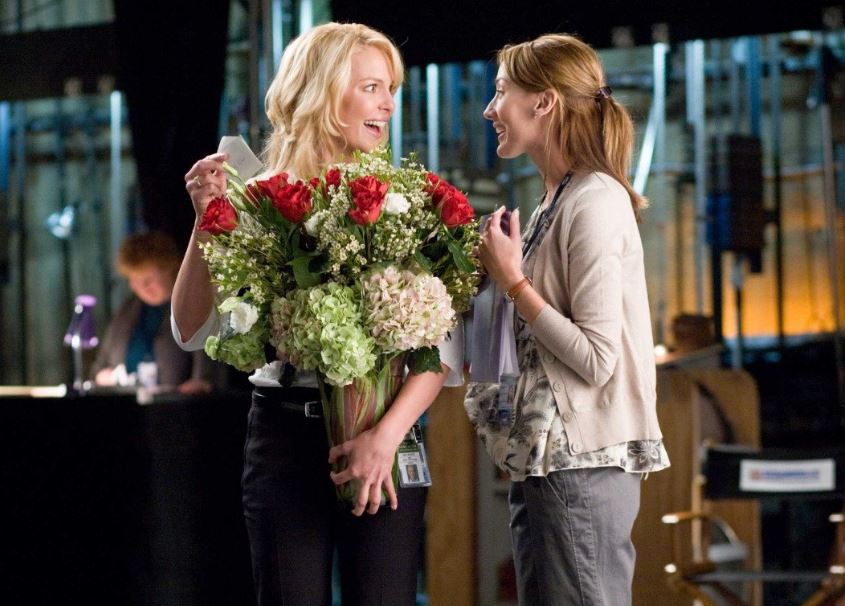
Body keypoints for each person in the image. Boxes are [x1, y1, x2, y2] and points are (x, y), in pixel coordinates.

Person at [171, 23, 463, 606]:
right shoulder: (255, 196)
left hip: (385, 433)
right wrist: (207, 220)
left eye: (391, 89)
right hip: (282, 437)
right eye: (372, 87)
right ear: (321, 92)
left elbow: (441, 349)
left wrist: (384, 439)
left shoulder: (406, 200)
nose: (388, 104)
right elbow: (190, 330)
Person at [466, 34, 670, 605]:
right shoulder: (555, 200)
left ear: (544, 101)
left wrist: (514, 282)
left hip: (580, 464)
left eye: (501, 92)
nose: (489, 110)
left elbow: (596, 358)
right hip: (546, 461)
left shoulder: (594, 200)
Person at [92, 231, 212, 394]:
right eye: (134, 281)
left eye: (148, 281)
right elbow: (99, 368)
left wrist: (199, 384)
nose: (141, 288)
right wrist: (106, 376)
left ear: (171, 271)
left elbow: (206, 374)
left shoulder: (193, 307)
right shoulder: (127, 311)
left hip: (174, 404)